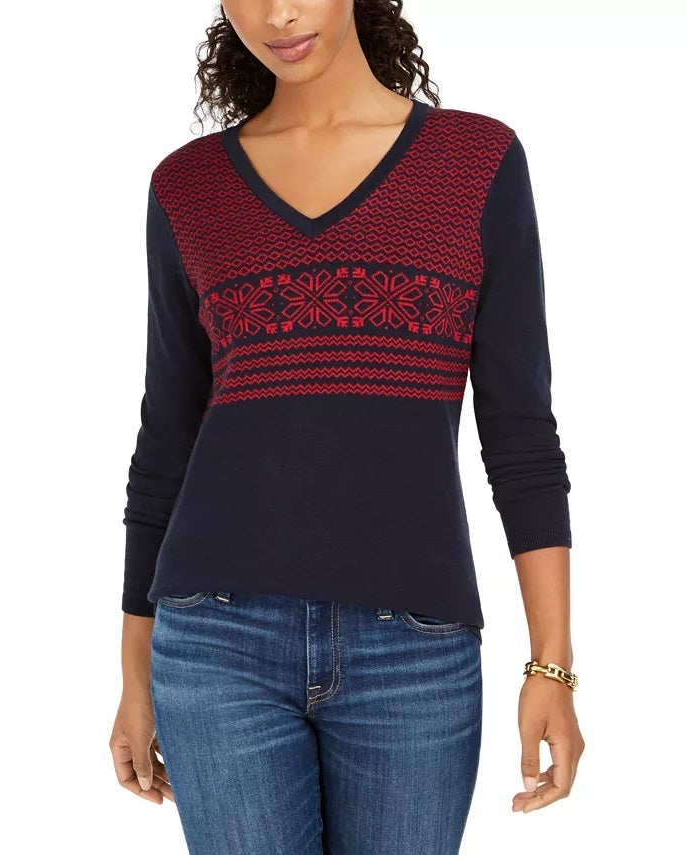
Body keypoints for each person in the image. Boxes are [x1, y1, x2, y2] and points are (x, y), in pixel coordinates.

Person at [109, 2, 585, 852]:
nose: (278, 13)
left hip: (415, 653)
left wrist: (552, 663)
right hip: (214, 644)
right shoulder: (188, 188)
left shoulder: (475, 164)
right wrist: (133, 674)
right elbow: (165, 443)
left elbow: (521, 435)